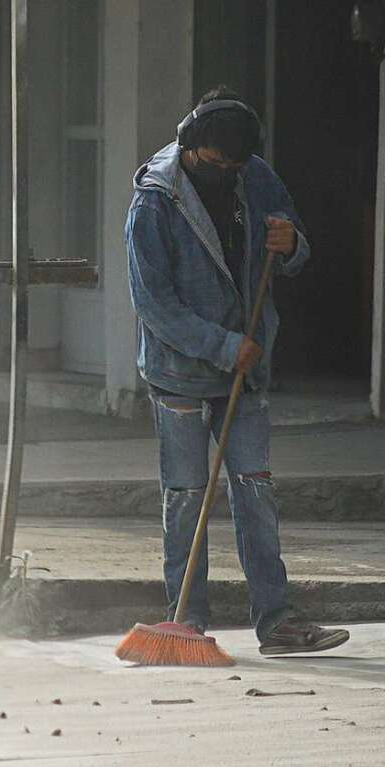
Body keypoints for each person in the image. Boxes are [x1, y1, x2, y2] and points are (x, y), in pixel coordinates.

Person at [125, 85, 350, 655]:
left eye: (234, 163)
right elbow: (154, 303)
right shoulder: (155, 200)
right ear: (193, 144)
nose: (225, 171)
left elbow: (295, 248)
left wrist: (291, 240)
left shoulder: (255, 176)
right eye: (216, 162)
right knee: (187, 495)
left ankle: (277, 621)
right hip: (181, 372)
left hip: (245, 370)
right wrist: (223, 347)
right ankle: (187, 621)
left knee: (255, 491)